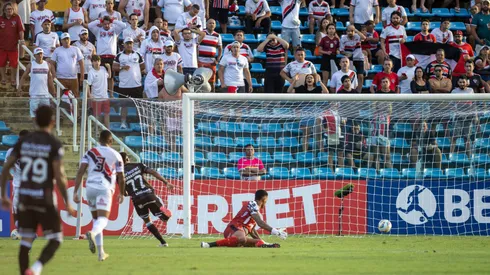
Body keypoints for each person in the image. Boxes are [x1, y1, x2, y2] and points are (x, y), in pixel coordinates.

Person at [0, 105, 75, 275]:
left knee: (25, 241)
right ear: (53, 122)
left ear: (34, 120)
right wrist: (67, 202)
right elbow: (60, 176)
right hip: (44, 197)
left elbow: (5, 170)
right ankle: (35, 269)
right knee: (55, 239)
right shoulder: (54, 144)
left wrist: (3, 195)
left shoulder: (23, 142)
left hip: (25, 197)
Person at [74, 130, 125, 262]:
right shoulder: (116, 155)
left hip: (90, 187)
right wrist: (121, 192)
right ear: (111, 141)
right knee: (103, 220)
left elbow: (80, 172)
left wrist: (75, 191)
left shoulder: (90, 152)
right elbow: (121, 177)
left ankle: (101, 253)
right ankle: (92, 233)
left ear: (99, 139)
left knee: (96, 220)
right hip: (104, 188)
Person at [119, 152, 174, 247]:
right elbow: (152, 172)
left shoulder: (119, 174)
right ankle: (164, 213)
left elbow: (124, 191)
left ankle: (163, 242)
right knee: (164, 219)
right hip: (149, 194)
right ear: (128, 159)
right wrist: (165, 182)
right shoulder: (138, 165)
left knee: (147, 221)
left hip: (137, 199)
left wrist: (125, 193)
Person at [201, 190, 286, 248]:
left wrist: (262, 241)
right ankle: (209, 245)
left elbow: (252, 230)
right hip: (233, 228)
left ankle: (262, 244)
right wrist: (276, 232)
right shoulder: (252, 204)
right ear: (263, 200)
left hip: (241, 233)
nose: (265, 204)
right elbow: (260, 223)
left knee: (254, 241)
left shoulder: (256, 212)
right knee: (242, 239)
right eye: (266, 201)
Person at [113, 37, 145, 129]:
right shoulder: (119, 55)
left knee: (140, 105)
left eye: (131, 43)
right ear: (124, 44)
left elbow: (142, 67)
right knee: (124, 105)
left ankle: (141, 122)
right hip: (124, 85)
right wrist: (122, 67)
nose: (129, 45)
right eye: (127, 43)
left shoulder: (138, 54)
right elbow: (114, 67)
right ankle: (123, 122)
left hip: (136, 84)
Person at [18, 47, 55, 121]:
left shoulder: (48, 65)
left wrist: (53, 90)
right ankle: (36, 130)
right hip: (34, 94)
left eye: (41, 53)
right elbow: (24, 77)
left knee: (46, 114)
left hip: (45, 94)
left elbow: (50, 79)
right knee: (34, 115)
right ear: (34, 55)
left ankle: (43, 130)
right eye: (38, 54)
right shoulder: (31, 65)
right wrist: (19, 88)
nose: (40, 55)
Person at [3, 129, 29, 231]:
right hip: (18, 184)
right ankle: (17, 229)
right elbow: (6, 167)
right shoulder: (12, 151)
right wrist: (10, 176)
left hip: (31, 184)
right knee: (16, 208)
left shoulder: (33, 151)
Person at [0, 3, 24, 88]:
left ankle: (13, 78)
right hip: (2, 46)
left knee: (14, 64)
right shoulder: (0, 18)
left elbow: (21, 30)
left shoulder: (17, 18)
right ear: (4, 10)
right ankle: (3, 78)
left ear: (13, 10)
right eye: (7, 9)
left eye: (10, 9)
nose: (9, 10)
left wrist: (22, 40)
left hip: (13, 46)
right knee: (1, 63)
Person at [450, 75, 476, 156]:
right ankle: (451, 155)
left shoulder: (470, 90)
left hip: (468, 117)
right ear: (458, 83)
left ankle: (469, 156)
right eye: (460, 82)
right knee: (454, 137)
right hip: (458, 116)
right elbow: (451, 104)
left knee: (466, 138)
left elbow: (473, 104)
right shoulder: (454, 92)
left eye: (463, 82)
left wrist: (474, 115)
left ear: (466, 83)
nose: (462, 84)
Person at [197, 19, 222, 92]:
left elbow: (220, 48)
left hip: (211, 62)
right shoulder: (202, 33)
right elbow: (196, 46)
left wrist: (218, 59)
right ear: (206, 24)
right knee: (199, 80)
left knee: (212, 81)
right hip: (200, 60)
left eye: (213, 23)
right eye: (210, 23)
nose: (212, 25)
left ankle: (212, 97)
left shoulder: (217, 35)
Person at [87, 55, 112, 128]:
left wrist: (109, 68)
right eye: (94, 61)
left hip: (105, 96)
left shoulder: (103, 68)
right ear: (92, 62)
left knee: (107, 114)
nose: (96, 62)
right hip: (96, 97)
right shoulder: (91, 72)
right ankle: (96, 131)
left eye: (98, 61)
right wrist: (89, 95)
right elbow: (88, 85)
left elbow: (109, 76)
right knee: (97, 115)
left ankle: (107, 130)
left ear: (100, 62)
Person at [340, 25, 366, 93]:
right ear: (346, 32)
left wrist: (356, 30)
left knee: (360, 76)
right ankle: (350, 90)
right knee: (350, 75)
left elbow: (364, 37)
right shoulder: (343, 39)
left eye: (352, 31)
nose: (350, 32)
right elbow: (341, 51)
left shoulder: (357, 36)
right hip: (350, 59)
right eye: (349, 31)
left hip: (359, 58)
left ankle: (359, 92)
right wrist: (346, 54)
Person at [322, 105, 344, 172]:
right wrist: (326, 129)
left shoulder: (342, 112)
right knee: (331, 153)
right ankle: (331, 171)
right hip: (331, 134)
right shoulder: (327, 112)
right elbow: (323, 123)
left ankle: (341, 171)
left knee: (340, 153)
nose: (335, 104)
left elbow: (343, 122)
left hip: (339, 134)